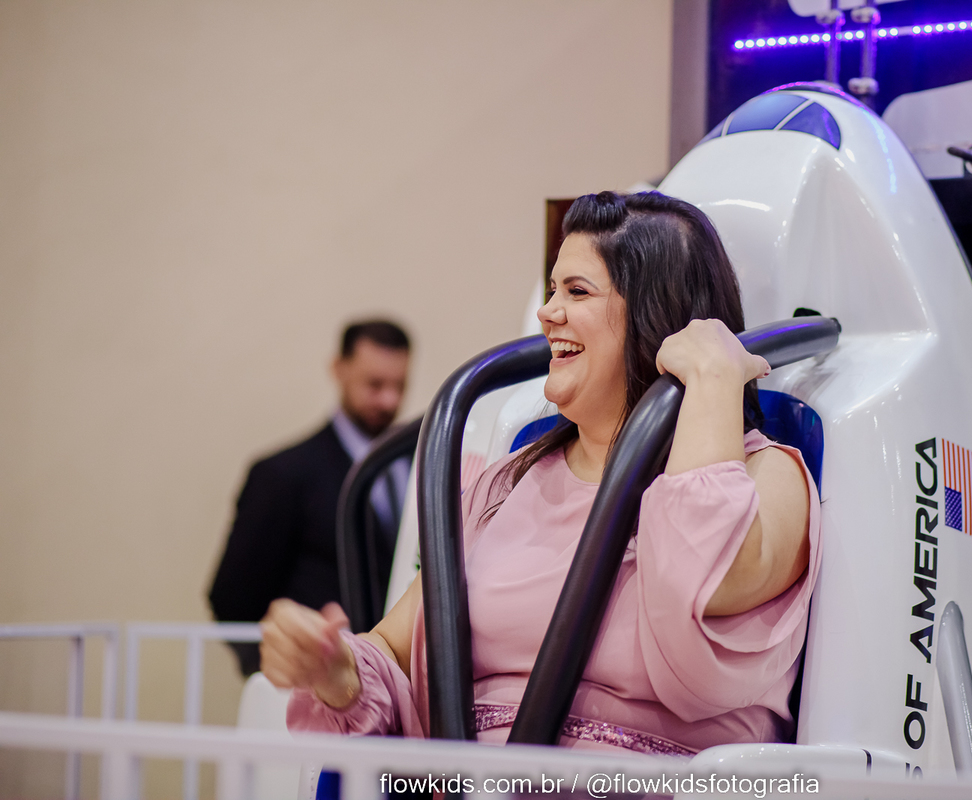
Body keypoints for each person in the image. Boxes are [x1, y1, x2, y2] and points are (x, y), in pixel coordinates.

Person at [262, 192, 821, 754]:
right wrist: (335, 670)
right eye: (553, 289)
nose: (548, 312)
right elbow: (392, 651)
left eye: (577, 291)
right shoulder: (508, 483)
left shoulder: (767, 476)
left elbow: (703, 579)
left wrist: (711, 377)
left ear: (659, 316)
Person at [209, 320, 412, 677]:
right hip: (320, 684)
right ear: (339, 369)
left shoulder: (423, 464)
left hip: (408, 681)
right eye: (374, 384)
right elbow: (233, 599)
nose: (389, 400)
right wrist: (280, 673)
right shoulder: (283, 475)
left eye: (399, 386)